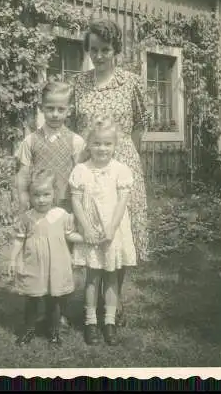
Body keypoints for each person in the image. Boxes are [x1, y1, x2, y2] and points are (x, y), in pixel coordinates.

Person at [70, 18, 149, 327]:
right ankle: (95, 305)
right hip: (88, 169)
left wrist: (128, 157)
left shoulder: (131, 82)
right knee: (92, 232)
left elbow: (141, 124)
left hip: (123, 167)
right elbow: (74, 127)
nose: (99, 56)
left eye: (105, 49)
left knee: (119, 236)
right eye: (93, 50)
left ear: (116, 49)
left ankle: (112, 306)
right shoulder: (79, 83)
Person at [15, 80, 86, 327]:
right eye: (50, 108)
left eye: (61, 109)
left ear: (69, 110)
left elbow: (81, 175)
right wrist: (24, 199)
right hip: (38, 210)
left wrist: (79, 208)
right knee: (38, 257)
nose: (55, 114)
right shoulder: (31, 141)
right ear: (41, 108)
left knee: (62, 261)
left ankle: (60, 311)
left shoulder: (76, 141)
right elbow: (23, 174)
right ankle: (39, 307)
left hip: (64, 209)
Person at [69, 116, 136, 346]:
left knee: (111, 278)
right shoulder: (80, 170)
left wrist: (111, 228)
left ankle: (109, 322)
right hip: (91, 231)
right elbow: (76, 201)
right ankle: (90, 323)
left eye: (108, 144)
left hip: (112, 231)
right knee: (92, 278)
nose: (102, 148)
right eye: (97, 143)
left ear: (115, 145)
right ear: (89, 144)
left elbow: (122, 203)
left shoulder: (121, 170)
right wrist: (86, 228)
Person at [9, 169, 83, 346]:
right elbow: (19, 241)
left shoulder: (62, 215)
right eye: (36, 195)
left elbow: (70, 235)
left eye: (46, 194)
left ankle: (54, 332)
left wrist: (87, 238)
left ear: (54, 194)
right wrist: (13, 259)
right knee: (33, 298)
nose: (41, 200)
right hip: (34, 265)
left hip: (57, 265)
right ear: (30, 195)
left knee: (55, 300)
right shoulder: (27, 217)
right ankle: (29, 330)